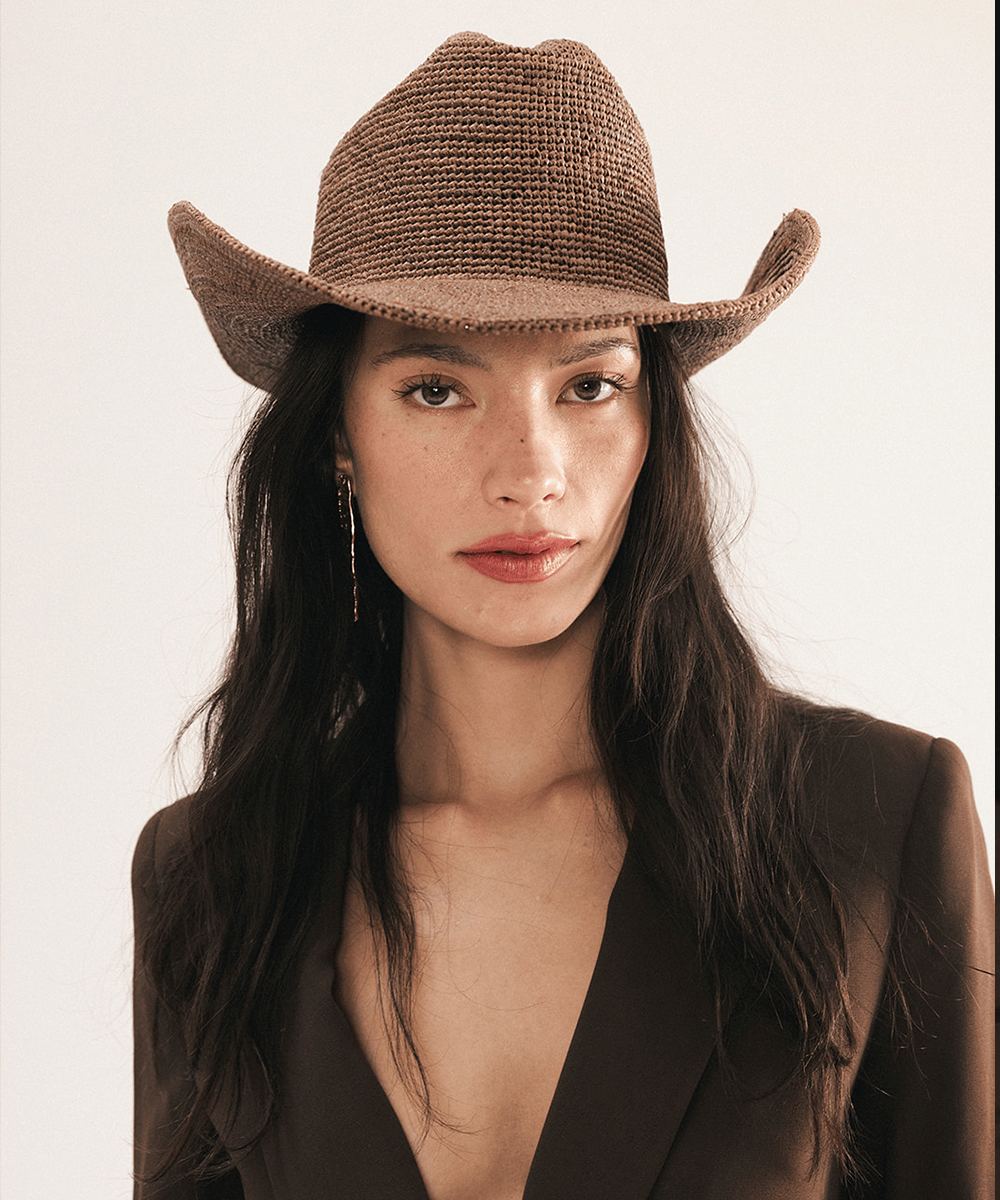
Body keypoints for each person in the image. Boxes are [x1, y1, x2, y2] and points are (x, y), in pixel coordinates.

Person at [132, 32, 993, 1200]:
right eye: (437, 389)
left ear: (652, 425)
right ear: (338, 433)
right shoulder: (212, 876)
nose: (529, 470)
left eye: (589, 385)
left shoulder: (871, 825)